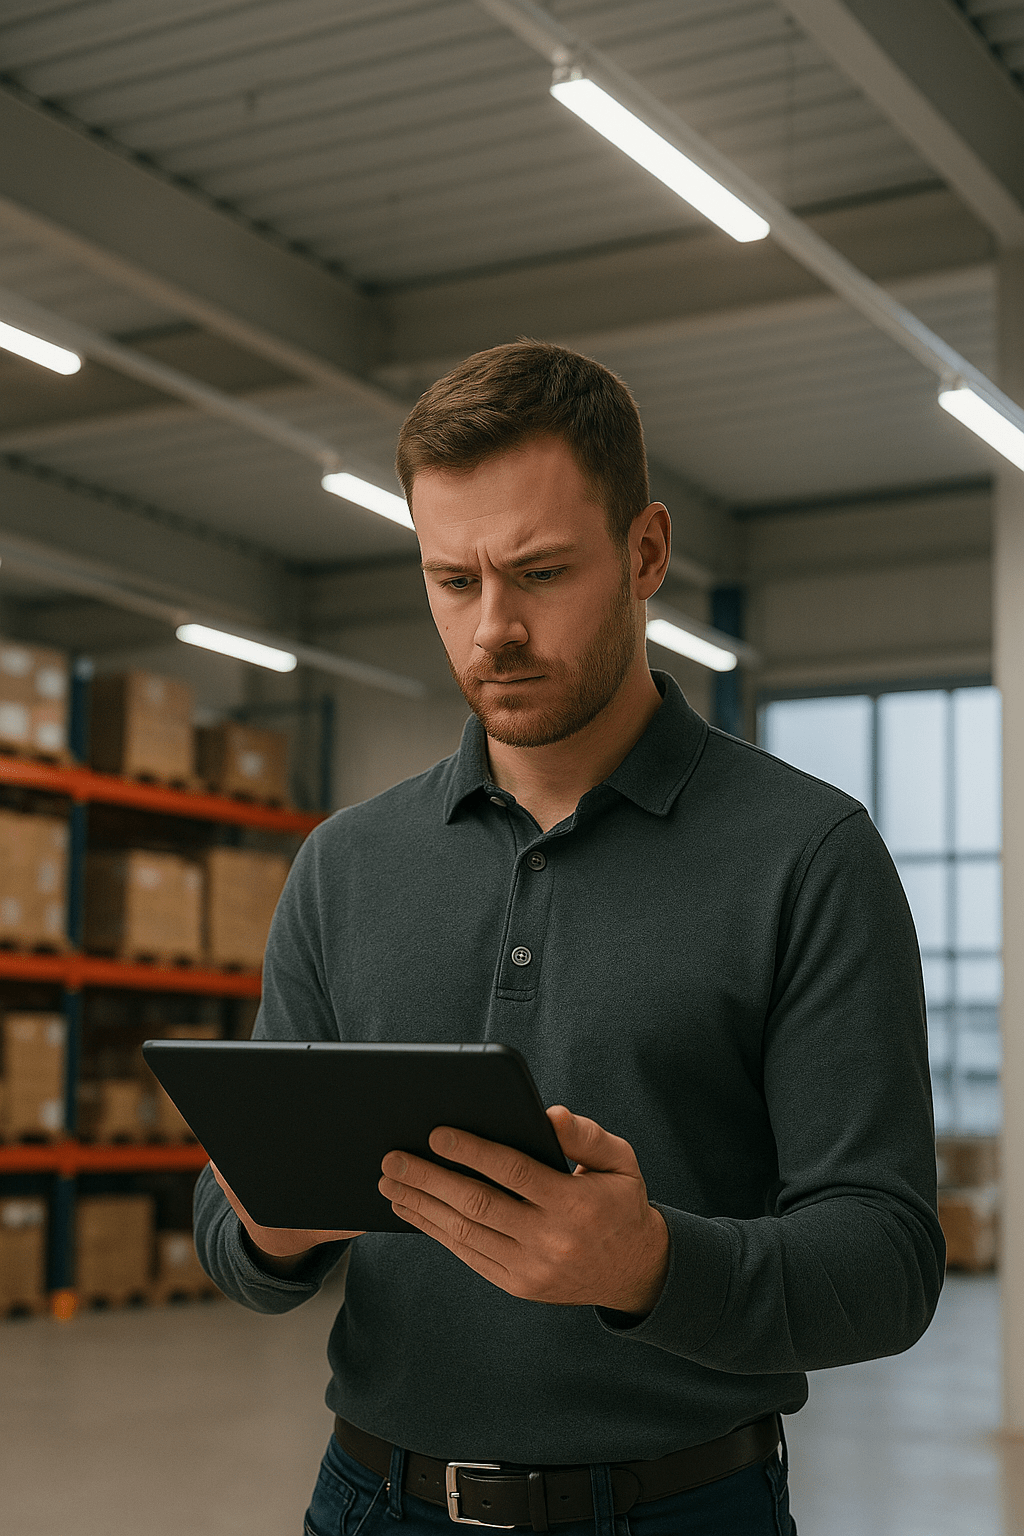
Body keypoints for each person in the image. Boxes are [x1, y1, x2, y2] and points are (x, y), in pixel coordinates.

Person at [194, 340, 944, 1535]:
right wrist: (267, 1232)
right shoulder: (344, 866)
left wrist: (646, 1266)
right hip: (372, 1502)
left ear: (644, 552)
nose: (492, 629)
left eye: (539, 572)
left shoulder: (806, 855)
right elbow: (231, 1233)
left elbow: (888, 1265)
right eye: (453, 581)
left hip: (681, 1509)